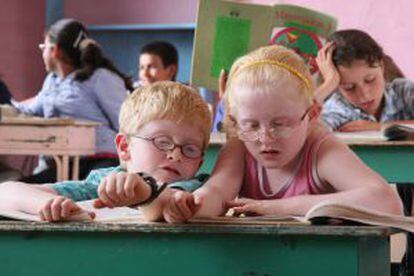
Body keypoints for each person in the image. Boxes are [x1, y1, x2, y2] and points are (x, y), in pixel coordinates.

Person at [157, 45, 402, 223]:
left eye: (280, 124)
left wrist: (274, 207)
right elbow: (217, 192)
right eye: (251, 125)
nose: (265, 138)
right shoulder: (239, 146)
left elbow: (387, 202)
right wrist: (190, 204)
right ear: (233, 121)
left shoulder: (320, 148)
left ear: (313, 114)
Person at [0, 81, 212, 221]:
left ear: (200, 162)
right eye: (163, 142)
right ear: (124, 148)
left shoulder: (197, 187)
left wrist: (144, 188)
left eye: (190, 149)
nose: (175, 154)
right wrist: (51, 205)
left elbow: (169, 203)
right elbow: (5, 192)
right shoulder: (104, 181)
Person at [10, 18, 132, 183]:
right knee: (17, 188)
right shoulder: (52, 81)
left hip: (100, 159)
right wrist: (6, 105)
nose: (42, 52)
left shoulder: (100, 77)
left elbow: (125, 122)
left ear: (56, 50)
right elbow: (29, 110)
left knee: (93, 190)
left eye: (43, 47)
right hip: (65, 163)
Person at [315, 29, 414, 132]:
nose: (364, 95)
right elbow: (304, 132)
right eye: (349, 88)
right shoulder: (338, 108)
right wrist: (328, 84)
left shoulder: (404, 92)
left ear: (381, 66)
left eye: (370, 80)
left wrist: (380, 126)